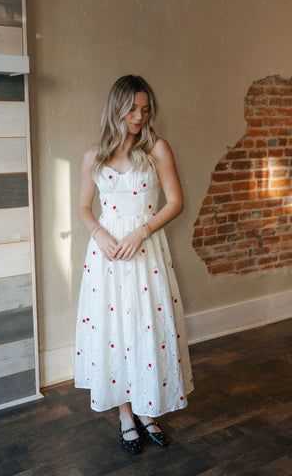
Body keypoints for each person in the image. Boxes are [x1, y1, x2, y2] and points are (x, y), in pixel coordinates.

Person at [75, 75, 194, 455]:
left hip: (146, 254)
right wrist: (99, 234)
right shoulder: (93, 156)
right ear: (116, 108)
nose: (139, 116)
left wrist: (142, 231)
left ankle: (146, 411)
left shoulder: (157, 148)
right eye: (131, 108)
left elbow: (175, 202)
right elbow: (83, 207)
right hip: (107, 257)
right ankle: (126, 416)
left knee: (148, 328)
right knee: (116, 332)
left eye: (144, 109)